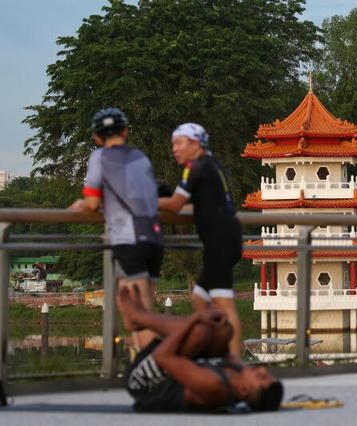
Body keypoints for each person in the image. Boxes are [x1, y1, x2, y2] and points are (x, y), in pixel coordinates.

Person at [70, 107, 163, 347]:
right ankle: (150, 366)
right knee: (145, 308)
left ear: (97, 137)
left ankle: (157, 371)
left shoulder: (99, 157)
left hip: (128, 239)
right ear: (125, 131)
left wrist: (82, 203)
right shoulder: (141, 157)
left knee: (137, 313)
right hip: (153, 237)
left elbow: (91, 202)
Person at [117, 286, 283, 412]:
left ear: (246, 391)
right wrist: (218, 317)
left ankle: (137, 317)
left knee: (199, 330)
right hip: (172, 369)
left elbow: (162, 357)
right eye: (267, 374)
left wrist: (195, 318)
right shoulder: (239, 375)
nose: (261, 369)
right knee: (224, 330)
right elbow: (223, 348)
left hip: (144, 381)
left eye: (262, 378)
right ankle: (139, 317)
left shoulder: (213, 385)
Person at [158, 123, 243, 356]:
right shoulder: (212, 164)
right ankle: (216, 351)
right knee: (199, 298)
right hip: (226, 236)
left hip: (219, 241)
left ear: (195, 144)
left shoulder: (194, 167)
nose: (174, 149)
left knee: (225, 305)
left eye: (178, 143)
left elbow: (175, 204)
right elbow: (200, 202)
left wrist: (143, 200)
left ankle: (234, 364)